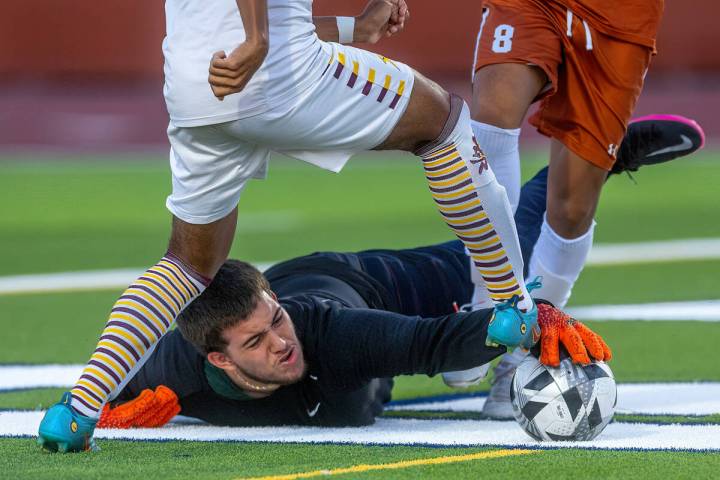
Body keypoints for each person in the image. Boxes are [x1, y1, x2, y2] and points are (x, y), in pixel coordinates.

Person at [38, 0, 553, 452]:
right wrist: (258, 41)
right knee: (444, 123)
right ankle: (510, 305)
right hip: (270, 71)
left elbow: (261, 21)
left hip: (195, 85)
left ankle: (77, 409)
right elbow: (264, 34)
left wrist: (355, 29)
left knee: (188, 264)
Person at [94, 169, 610, 428]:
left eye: (275, 319)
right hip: (318, 307)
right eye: (255, 340)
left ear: (272, 299)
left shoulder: (333, 336)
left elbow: (430, 343)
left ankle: (594, 158)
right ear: (216, 359)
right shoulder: (172, 369)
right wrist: (94, 409)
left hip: (371, 284)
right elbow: (95, 395)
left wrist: (522, 320)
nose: (280, 341)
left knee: (504, 245)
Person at [445, 0, 705, 400]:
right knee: (491, 126)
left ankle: (527, 353)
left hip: (621, 13)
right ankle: (488, 310)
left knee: (571, 208)